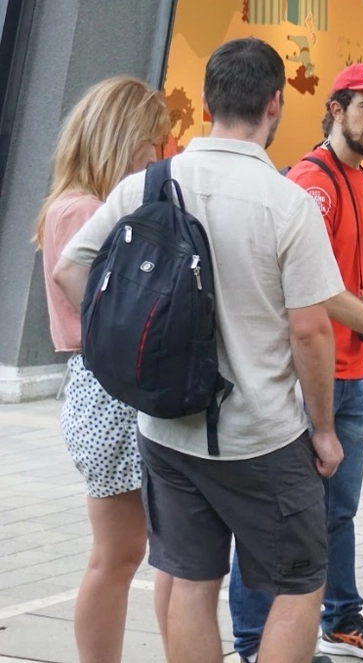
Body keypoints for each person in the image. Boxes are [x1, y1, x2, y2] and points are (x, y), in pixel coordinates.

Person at [52, 37, 347, 663]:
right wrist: (323, 429)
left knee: (191, 581)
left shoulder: (147, 186)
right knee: (299, 583)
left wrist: (130, 349)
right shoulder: (287, 202)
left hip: (166, 430)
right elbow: (310, 330)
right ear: (274, 103)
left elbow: (70, 270)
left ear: (208, 103)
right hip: (262, 435)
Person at [226, 64, 363, 663]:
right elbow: (319, 292)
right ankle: (253, 642)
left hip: (353, 377)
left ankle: (340, 618)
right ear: (335, 109)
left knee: (337, 511)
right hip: (309, 379)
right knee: (279, 516)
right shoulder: (312, 184)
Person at [35, 77, 172, 663]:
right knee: (125, 557)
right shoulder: (85, 211)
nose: (158, 155)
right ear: (123, 137)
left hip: (102, 392)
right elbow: (109, 311)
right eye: (153, 141)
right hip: (111, 393)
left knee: (132, 555)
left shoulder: (71, 204)